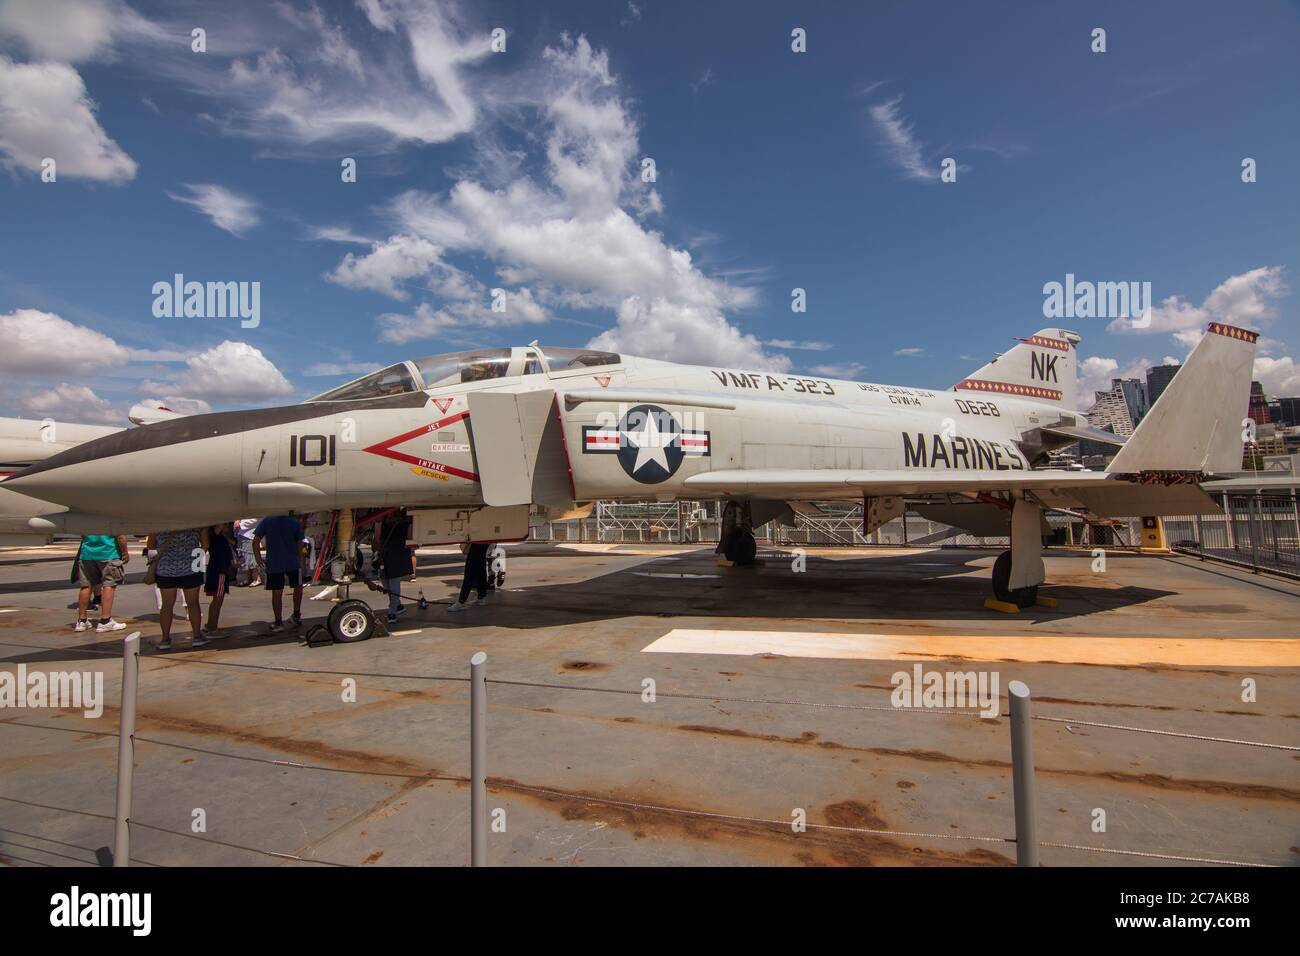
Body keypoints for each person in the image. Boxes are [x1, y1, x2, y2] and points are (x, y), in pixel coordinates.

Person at [147, 527, 208, 651]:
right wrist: (196, 560)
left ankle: (165, 639)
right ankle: (197, 636)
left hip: (165, 568)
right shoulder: (197, 522)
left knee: (167, 605)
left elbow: (151, 545)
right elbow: (205, 544)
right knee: (193, 603)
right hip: (191, 567)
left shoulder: (158, 522)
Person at [254, 514, 306, 632]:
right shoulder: (294, 521)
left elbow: (255, 541)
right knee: (298, 587)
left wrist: (258, 559)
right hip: (292, 561)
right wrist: (301, 560)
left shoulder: (267, 521)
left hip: (274, 562)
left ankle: (278, 622)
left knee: (277, 592)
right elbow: (300, 543)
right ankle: (296, 615)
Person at [74, 533, 129, 633]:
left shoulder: (87, 516)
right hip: (108, 552)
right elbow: (120, 535)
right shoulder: (113, 516)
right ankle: (105, 620)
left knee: (86, 586)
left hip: (87, 553)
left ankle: (82, 621)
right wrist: (125, 552)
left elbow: (82, 534)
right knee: (109, 585)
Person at [375, 510, 413, 625]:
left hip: (392, 553)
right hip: (394, 552)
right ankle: (397, 605)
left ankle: (392, 611)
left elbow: (377, 537)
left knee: (391, 582)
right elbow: (410, 537)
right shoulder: (407, 521)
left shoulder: (385, 520)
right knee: (387, 582)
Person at [203, 522, 236, 636]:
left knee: (216, 600)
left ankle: (210, 625)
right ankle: (212, 627)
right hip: (219, 571)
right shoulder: (214, 534)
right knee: (218, 600)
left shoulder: (220, 535)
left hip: (219, 569)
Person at [448, 541, 490, 612]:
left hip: (476, 541)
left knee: (470, 572)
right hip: (484, 541)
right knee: (481, 570)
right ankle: (481, 597)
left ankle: (461, 601)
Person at [236, 518, 261, 586]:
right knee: (245, 558)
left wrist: (241, 524)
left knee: (251, 557)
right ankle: (249, 578)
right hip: (242, 534)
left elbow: (257, 520)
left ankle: (257, 578)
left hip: (249, 535)